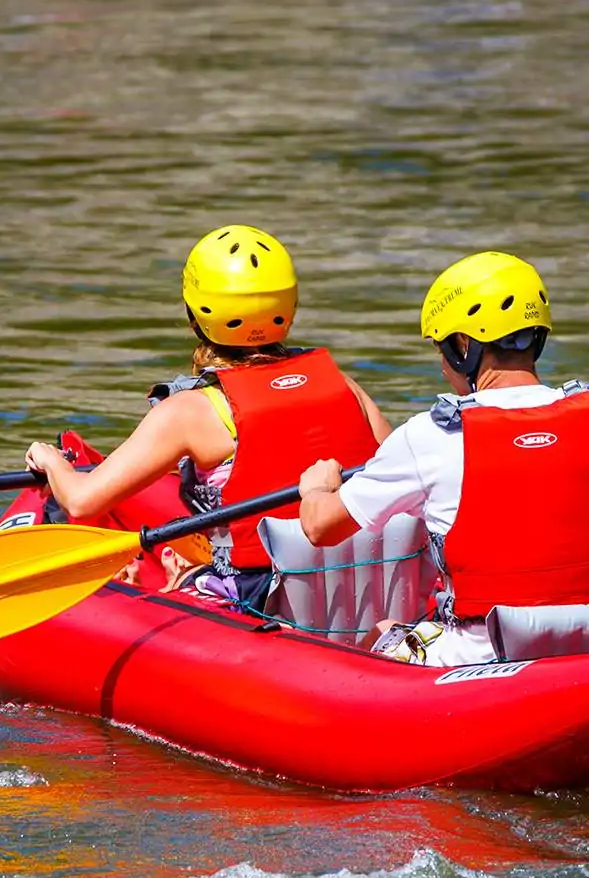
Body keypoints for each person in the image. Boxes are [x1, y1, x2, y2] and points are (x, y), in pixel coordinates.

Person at [296, 250, 589, 666]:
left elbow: (321, 527)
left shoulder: (429, 435)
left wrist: (319, 486)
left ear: (461, 347)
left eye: (441, 348)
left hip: (480, 658)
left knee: (380, 634)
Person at [23, 225, 392, 603]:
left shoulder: (188, 411)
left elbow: (82, 501)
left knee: (176, 572)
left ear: (194, 316)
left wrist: (52, 462)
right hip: (371, 584)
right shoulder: (343, 385)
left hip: (265, 595)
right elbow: (395, 475)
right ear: (289, 307)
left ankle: (184, 579)